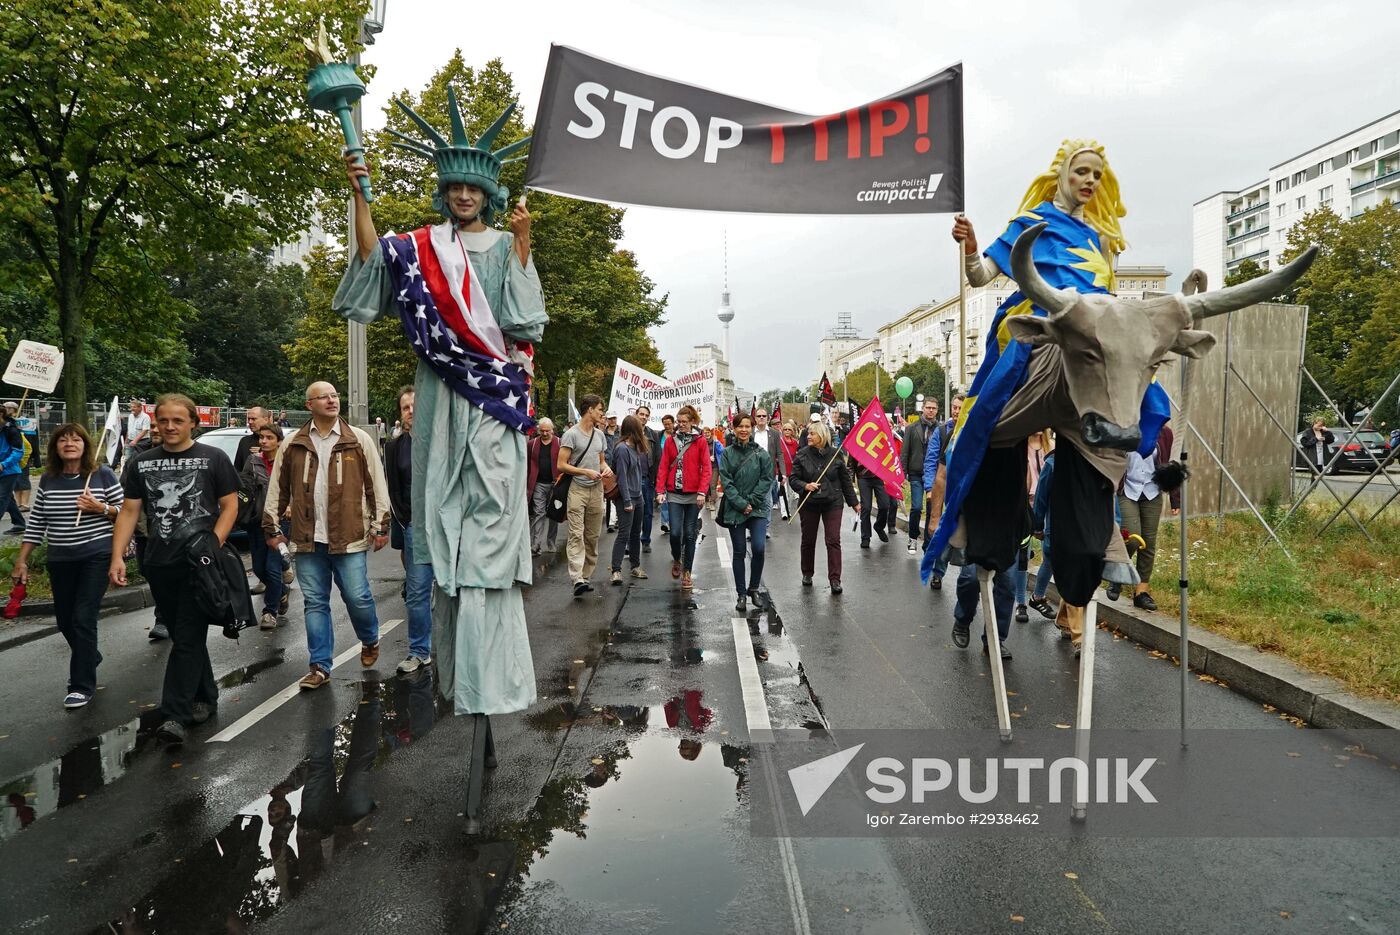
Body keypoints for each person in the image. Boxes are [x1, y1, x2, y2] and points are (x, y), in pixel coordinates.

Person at [334, 95, 547, 747]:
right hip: (437, 399)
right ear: (445, 190)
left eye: (470, 186)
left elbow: (522, 322)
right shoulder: (424, 248)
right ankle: (454, 665)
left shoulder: (503, 243)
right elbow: (377, 270)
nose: (460, 194)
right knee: (441, 534)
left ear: (485, 190)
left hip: (488, 401)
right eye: (451, 185)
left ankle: (493, 672)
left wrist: (522, 240)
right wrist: (361, 198)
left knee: (487, 540)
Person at [110, 394, 241, 743]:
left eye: (178, 420)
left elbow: (230, 507)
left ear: (193, 423)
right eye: (163, 420)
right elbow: (129, 511)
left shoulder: (214, 458)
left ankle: (175, 716)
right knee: (187, 636)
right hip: (158, 563)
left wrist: (212, 545)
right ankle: (206, 697)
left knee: (186, 636)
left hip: (199, 567)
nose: (169, 426)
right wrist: (118, 556)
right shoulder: (141, 463)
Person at [264, 382, 391, 691]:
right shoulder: (293, 443)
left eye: (334, 395)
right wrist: (272, 526)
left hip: (349, 537)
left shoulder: (358, 440)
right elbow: (277, 489)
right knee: (315, 602)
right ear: (310, 404)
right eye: (324, 396)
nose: (332, 400)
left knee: (358, 597)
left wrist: (381, 524)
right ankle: (320, 665)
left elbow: (376, 482)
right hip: (308, 539)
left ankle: (370, 637)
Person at [13, 423, 121, 708]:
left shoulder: (102, 475)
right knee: (65, 620)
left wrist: (102, 508)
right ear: (55, 447)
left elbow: (127, 513)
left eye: (75, 439)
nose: (69, 443)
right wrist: (22, 559)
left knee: (83, 617)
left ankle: (82, 685)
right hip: (60, 558)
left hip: (96, 556)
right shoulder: (49, 479)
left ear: (85, 445)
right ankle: (89, 655)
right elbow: (37, 522)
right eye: (63, 440)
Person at [384, 385, 433, 673]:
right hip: (415, 525)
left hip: (447, 526)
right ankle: (419, 651)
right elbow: (393, 489)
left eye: (416, 405)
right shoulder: (394, 447)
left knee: (453, 590)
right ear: (400, 414)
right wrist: (406, 521)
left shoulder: (444, 441)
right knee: (417, 591)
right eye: (406, 407)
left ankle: (459, 648)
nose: (412, 411)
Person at [1112, 420, 1179, 610]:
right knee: (1132, 538)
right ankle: (1118, 574)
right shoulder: (1123, 430)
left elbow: (1169, 465)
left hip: (1152, 491)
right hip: (1127, 490)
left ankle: (1141, 592)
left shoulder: (1165, 433)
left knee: (1148, 543)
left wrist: (1175, 497)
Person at [789, 421, 858, 593]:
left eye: (812, 434)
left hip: (833, 502)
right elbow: (793, 478)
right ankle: (807, 572)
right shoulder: (802, 454)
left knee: (833, 540)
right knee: (808, 540)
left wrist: (854, 503)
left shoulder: (836, 455)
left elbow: (845, 480)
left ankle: (835, 579)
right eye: (808, 434)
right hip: (809, 503)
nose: (808, 437)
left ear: (822, 435)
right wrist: (805, 486)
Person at [719, 413, 773, 612]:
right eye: (740, 426)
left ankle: (754, 588)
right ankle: (741, 594)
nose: (743, 430)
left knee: (758, 548)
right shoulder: (727, 453)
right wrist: (742, 504)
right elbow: (726, 481)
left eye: (747, 427)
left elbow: (767, 479)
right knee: (740, 551)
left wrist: (752, 502)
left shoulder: (761, 454)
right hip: (735, 510)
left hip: (757, 509)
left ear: (752, 429)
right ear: (734, 429)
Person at [559, 394, 611, 597]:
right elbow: (561, 465)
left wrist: (606, 469)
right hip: (578, 489)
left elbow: (602, 461)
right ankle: (577, 578)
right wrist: (584, 472)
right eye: (599, 409)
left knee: (592, 536)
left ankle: (586, 575)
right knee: (575, 534)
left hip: (596, 490)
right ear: (589, 409)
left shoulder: (599, 436)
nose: (602, 413)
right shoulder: (571, 434)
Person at [655, 404, 711, 591]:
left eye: (684, 422)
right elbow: (663, 466)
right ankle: (677, 558)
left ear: (692, 422)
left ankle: (687, 571)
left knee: (689, 534)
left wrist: (703, 491)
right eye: (679, 422)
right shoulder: (671, 441)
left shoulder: (700, 441)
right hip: (674, 494)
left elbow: (706, 468)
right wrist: (660, 491)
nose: (681, 425)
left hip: (694, 495)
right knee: (676, 533)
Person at [242, 423, 288, 629]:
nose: (264, 441)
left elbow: (297, 486)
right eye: (262, 438)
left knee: (272, 567)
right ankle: (282, 592)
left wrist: (292, 505)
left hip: (281, 522)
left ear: (279, 441)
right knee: (259, 568)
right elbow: (244, 488)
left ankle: (270, 612)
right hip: (257, 521)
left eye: (269, 438)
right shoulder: (252, 461)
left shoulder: (286, 461)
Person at [922, 393, 965, 588]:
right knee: (944, 536)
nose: (956, 411)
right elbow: (933, 463)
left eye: (960, 408)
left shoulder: (973, 432)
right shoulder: (942, 433)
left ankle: (967, 579)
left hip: (966, 497)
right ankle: (938, 572)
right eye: (954, 407)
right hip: (947, 494)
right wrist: (930, 489)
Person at [1016, 429, 1053, 621]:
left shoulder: (1051, 447)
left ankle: (1038, 596)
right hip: (1024, 504)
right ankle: (1020, 603)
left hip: (1047, 506)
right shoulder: (1020, 446)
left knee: (1050, 554)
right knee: (1023, 557)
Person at [608, 415, 650, 584]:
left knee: (635, 533)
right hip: (627, 497)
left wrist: (639, 498)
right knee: (624, 534)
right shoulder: (622, 449)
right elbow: (622, 477)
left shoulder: (635, 447)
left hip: (637, 496)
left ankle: (635, 566)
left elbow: (636, 474)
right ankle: (616, 571)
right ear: (634, 429)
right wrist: (626, 501)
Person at [901, 398, 939, 554]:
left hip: (934, 475)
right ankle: (912, 537)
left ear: (937, 410)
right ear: (922, 409)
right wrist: (902, 474)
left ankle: (928, 544)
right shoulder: (912, 428)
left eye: (934, 408)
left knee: (932, 510)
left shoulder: (941, 429)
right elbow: (905, 452)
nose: (931, 410)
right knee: (916, 507)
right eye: (928, 407)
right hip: (915, 472)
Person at [1028, 446, 1057, 619]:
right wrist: (1037, 526)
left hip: (1075, 527)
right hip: (1054, 528)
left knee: (1052, 562)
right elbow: (1041, 498)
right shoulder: (1052, 463)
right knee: (1051, 559)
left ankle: (1038, 596)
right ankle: (1038, 596)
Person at [526, 417, 561, 555]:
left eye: (547, 430)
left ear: (552, 430)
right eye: (542, 430)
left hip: (555, 484)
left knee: (553, 514)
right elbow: (528, 464)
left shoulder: (559, 443)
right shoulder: (532, 444)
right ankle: (535, 545)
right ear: (538, 430)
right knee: (538, 513)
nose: (545, 433)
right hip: (538, 483)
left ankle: (551, 542)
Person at [750, 407, 784, 536]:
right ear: (755, 418)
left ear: (768, 418)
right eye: (759, 416)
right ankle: (751, 528)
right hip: (751, 473)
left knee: (768, 501)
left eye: (764, 416)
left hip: (768, 473)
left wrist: (783, 472)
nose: (761, 418)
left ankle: (765, 528)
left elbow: (779, 453)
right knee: (752, 500)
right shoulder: (750, 433)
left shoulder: (774, 433)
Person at [636, 405, 661, 553]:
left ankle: (645, 540)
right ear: (636, 414)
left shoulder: (653, 435)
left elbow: (658, 457)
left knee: (647, 512)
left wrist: (655, 478)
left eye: (646, 415)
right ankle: (630, 542)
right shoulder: (628, 432)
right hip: (632, 479)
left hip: (647, 479)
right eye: (641, 414)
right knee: (632, 513)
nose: (644, 417)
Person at [0, 406, 25, 533]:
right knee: (7, 499)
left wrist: (3, 464)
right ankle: (20, 523)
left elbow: (18, 452)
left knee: (1, 498)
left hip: (9, 471)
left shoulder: (11, 429)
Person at [656, 413, 676, 533]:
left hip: (674, 471)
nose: (667, 426)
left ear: (673, 423)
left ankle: (673, 521)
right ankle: (665, 522)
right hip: (662, 470)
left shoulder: (677, 436)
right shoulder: (658, 436)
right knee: (663, 496)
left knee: (673, 498)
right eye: (665, 424)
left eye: (669, 424)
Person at [601, 413, 621, 533]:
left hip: (620, 466)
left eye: (614, 418)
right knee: (610, 494)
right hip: (607, 467)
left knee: (620, 492)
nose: (612, 420)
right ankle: (611, 522)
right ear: (607, 420)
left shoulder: (622, 432)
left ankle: (618, 519)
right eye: (610, 418)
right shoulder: (602, 434)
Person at [777, 420, 799, 519]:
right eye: (785, 429)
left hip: (792, 471)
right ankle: (784, 512)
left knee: (791, 493)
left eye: (789, 429)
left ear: (792, 431)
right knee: (783, 492)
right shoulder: (779, 441)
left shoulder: (795, 443)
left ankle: (788, 510)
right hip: (781, 471)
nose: (787, 431)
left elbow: (797, 456)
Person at [123, 399, 151, 466]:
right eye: (131, 407)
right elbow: (129, 429)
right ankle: (128, 475)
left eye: (134, 407)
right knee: (128, 459)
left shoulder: (145, 417)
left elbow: (145, 430)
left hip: (142, 442)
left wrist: (135, 441)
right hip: (130, 441)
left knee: (140, 460)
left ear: (140, 408)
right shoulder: (130, 416)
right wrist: (126, 441)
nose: (132, 409)